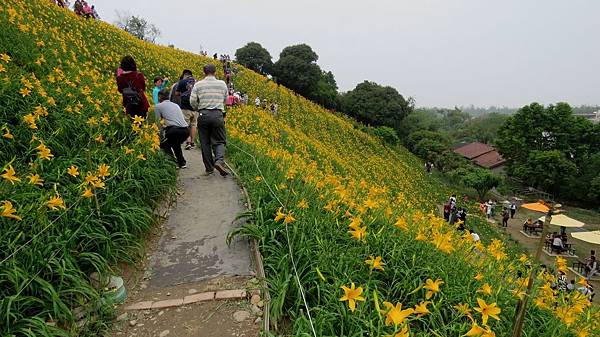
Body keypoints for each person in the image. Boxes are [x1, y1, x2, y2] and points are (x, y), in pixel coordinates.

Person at [190, 64, 229, 176]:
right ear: (215, 72)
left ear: (204, 72)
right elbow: (226, 100)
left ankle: (209, 168)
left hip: (203, 114)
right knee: (220, 140)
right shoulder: (222, 84)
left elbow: (192, 101)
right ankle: (219, 161)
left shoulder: (198, 84)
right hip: (217, 114)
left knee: (205, 142)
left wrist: (199, 108)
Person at [154, 88, 189, 168]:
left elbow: (158, 123)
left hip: (174, 130)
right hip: (186, 130)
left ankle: (172, 163)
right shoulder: (175, 105)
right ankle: (182, 163)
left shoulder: (158, 106)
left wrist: (159, 137)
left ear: (159, 97)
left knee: (163, 144)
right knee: (175, 144)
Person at [175, 70, 197, 150]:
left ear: (185, 75)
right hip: (195, 108)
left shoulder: (182, 82)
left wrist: (182, 94)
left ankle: (188, 142)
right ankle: (192, 142)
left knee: (186, 125)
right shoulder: (196, 82)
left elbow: (176, 93)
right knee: (194, 125)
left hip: (185, 107)